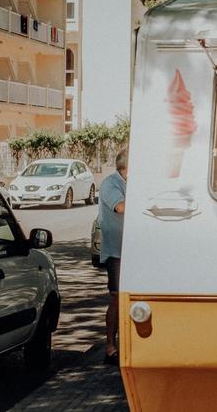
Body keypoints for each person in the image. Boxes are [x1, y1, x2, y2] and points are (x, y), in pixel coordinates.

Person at [99, 148, 128, 365]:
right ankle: (110, 345)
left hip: (134, 249)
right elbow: (120, 207)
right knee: (117, 298)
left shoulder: (131, 182)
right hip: (117, 252)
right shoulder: (111, 184)